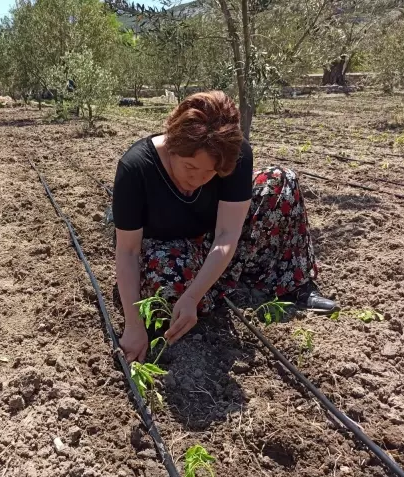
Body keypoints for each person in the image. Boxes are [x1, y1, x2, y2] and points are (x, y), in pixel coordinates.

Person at [112, 91, 337, 363]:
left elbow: (227, 234)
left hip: (215, 243)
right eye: (190, 167)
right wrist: (134, 325)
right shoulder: (136, 168)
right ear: (172, 144)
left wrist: (194, 295)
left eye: (210, 173)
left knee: (280, 181)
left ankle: (288, 283)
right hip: (169, 252)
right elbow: (128, 251)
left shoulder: (233, 154)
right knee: (165, 286)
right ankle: (219, 291)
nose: (197, 178)